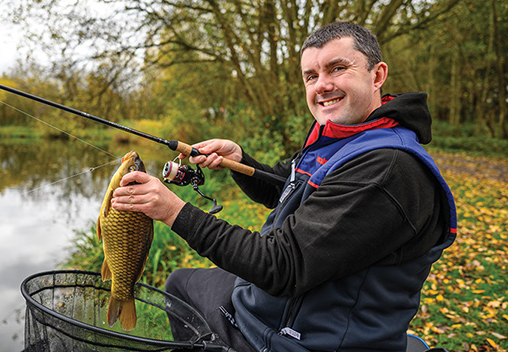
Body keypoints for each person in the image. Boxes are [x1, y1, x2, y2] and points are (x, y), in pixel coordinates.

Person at [110, 22, 457, 352]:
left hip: (306, 338)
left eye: (337, 69)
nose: (322, 85)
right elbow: (285, 188)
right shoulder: (342, 134)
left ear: (377, 75)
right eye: (311, 75)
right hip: (278, 305)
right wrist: (240, 160)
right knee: (180, 284)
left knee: (184, 287)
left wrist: (173, 211)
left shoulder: (386, 170)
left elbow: (282, 266)